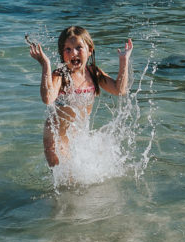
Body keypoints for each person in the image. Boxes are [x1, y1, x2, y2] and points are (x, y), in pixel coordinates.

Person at [28, 26, 133, 167]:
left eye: (79, 47)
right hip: (55, 140)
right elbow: (47, 98)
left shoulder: (93, 73)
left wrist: (124, 61)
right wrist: (45, 64)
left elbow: (119, 90)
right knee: (67, 182)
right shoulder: (60, 75)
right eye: (68, 49)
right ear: (62, 53)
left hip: (79, 137)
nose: (74, 53)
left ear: (90, 50)